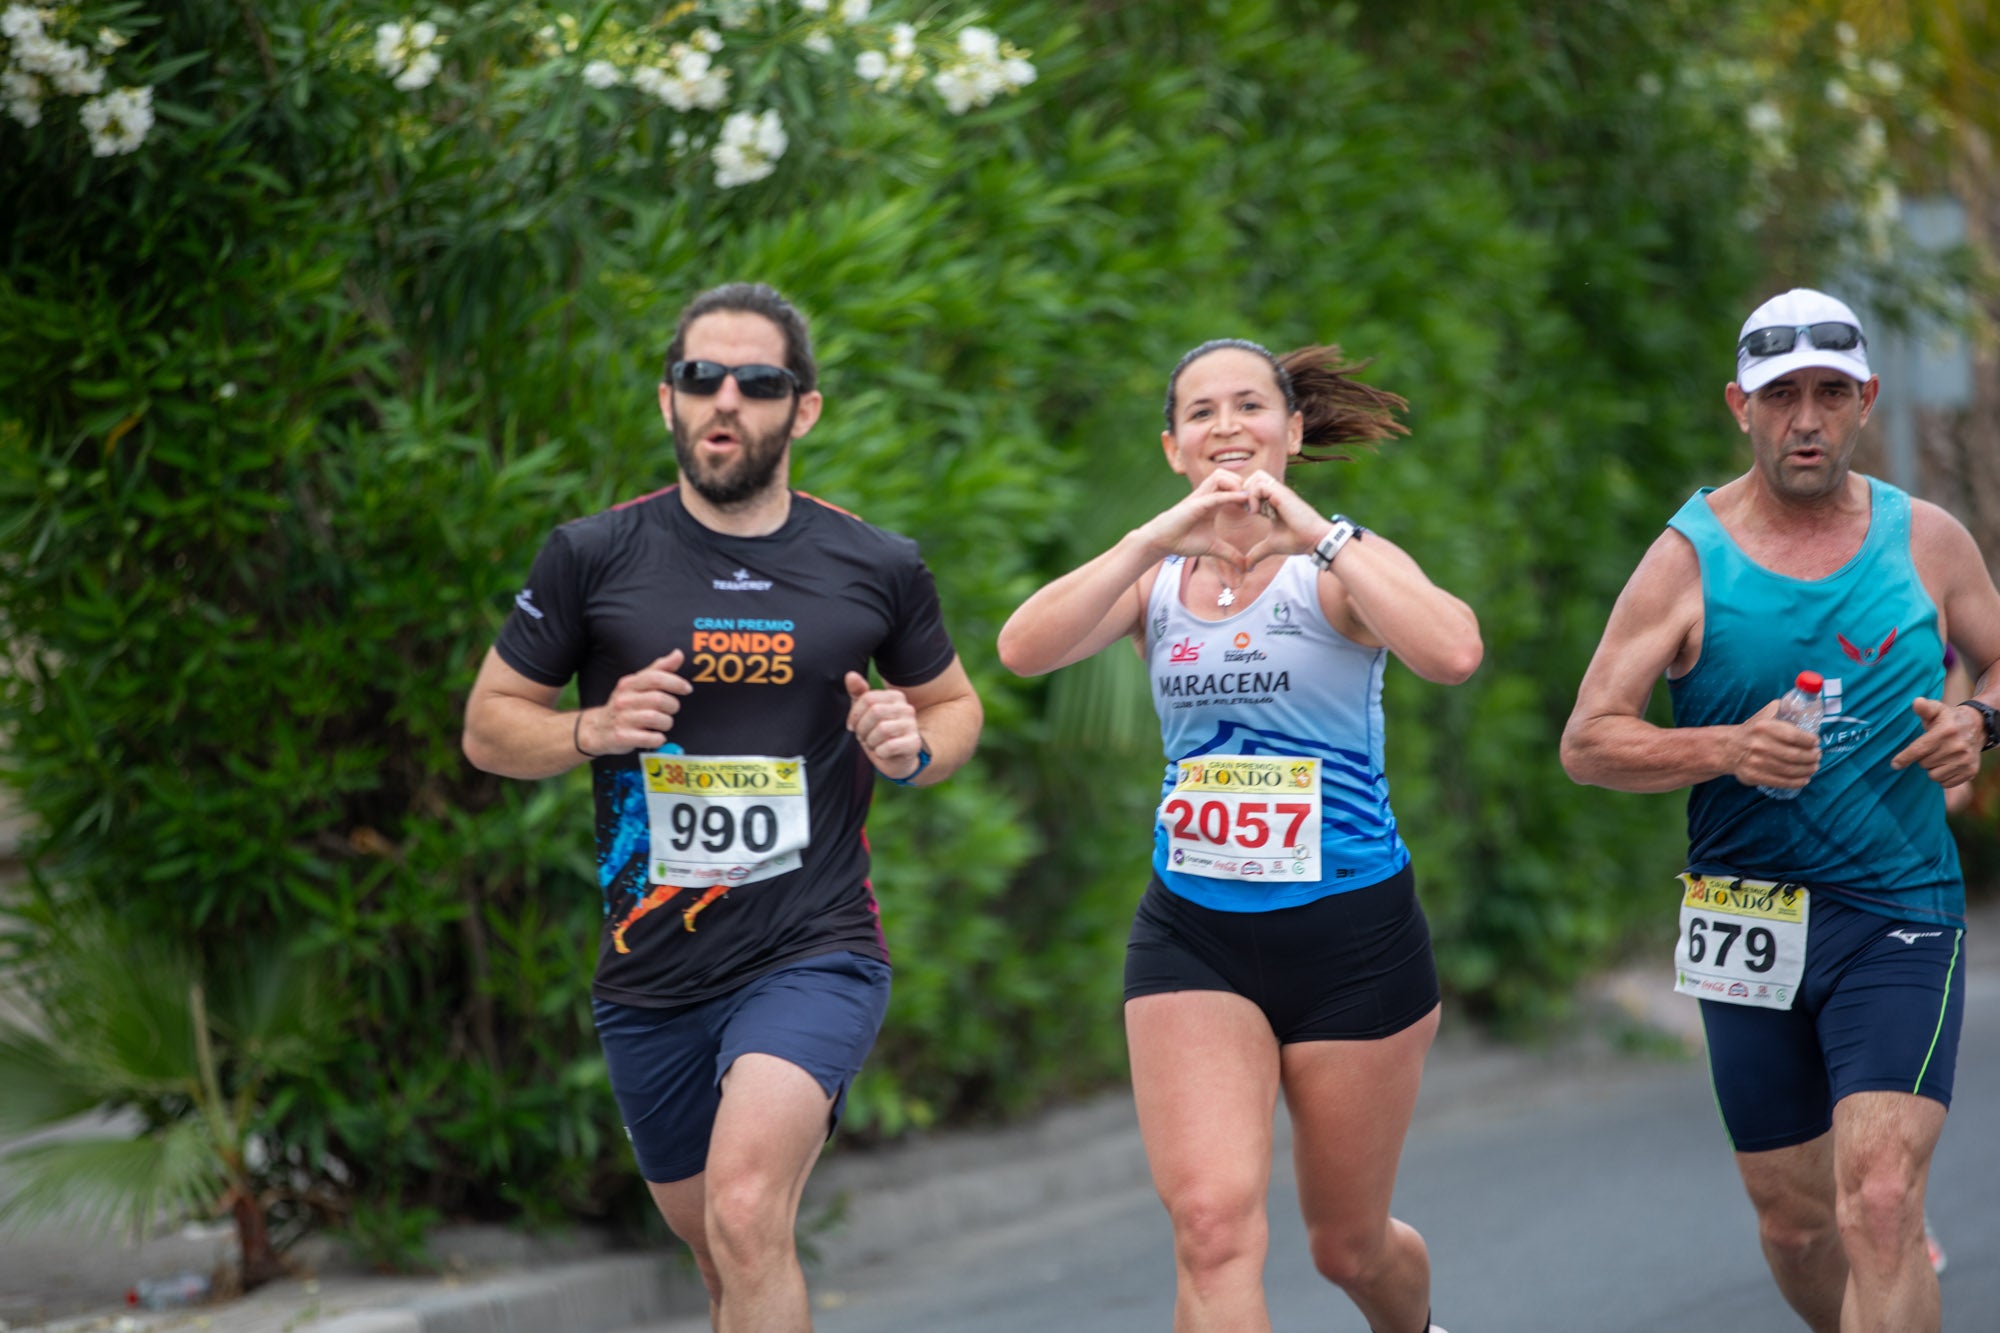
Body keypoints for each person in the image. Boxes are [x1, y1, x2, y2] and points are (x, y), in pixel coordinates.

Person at [461, 282, 983, 1333]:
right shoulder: (590, 555)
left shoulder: (875, 564)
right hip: (649, 967)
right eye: (702, 377)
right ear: (668, 400)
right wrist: (587, 731)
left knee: (748, 1213)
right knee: (718, 1257)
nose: (726, 400)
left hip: (814, 945)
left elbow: (951, 705)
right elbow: (488, 724)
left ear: (804, 409)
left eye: (758, 381)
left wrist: (913, 748)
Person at [998, 338, 1480, 1333]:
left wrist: (1315, 528)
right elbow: (1021, 649)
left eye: (1250, 407)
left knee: (1346, 1246)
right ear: (1173, 445)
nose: (1227, 427)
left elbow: (1451, 651)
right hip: (1194, 933)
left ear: (1292, 430)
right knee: (1212, 1229)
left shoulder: (1341, 568)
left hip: (1351, 937)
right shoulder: (1155, 581)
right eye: (1202, 412)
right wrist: (1148, 538)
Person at [1560, 287, 2000, 1333]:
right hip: (1744, 917)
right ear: (1738, 406)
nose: (1804, 418)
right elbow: (1587, 741)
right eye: (1780, 396)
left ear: (1863, 402)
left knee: (1880, 1199)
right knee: (1797, 1225)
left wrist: (1978, 719)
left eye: (1827, 393)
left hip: (1896, 907)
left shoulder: (1926, 540)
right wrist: (1723, 746)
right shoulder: (1683, 560)